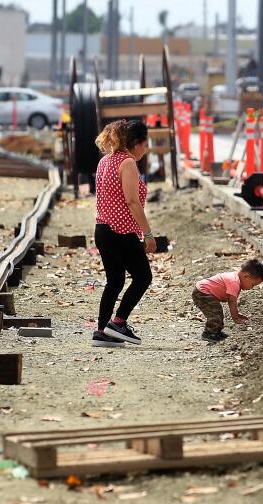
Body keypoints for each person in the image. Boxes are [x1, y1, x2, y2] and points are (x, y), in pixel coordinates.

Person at [91, 119, 158, 348]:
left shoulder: (104, 161)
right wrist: (148, 234)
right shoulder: (127, 162)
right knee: (143, 277)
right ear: (136, 143)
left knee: (115, 280)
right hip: (120, 232)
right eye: (145, 144)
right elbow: (131, 200)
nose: (146, 149)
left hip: (102, 230)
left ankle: (102, 331)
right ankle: (118, 322)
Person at [192, 259, 263, 342]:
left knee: (217, 312)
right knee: (215, 312)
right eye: (253, 284)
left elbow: (231, 301)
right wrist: (235, 318)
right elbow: (232, 301)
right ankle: (209, 333)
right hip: (202, 292)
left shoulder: (235, 279)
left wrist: (237, 314)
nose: (251, 288)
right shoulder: (234, 282)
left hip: (203, 291)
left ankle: (216, 332)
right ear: (246, 277)